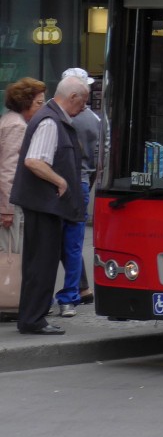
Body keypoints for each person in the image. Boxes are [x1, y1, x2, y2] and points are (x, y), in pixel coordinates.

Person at [9, 75, 90, 335]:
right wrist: (60, 181)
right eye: (84, 101)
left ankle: (33, 317)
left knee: (40, 264)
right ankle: (33, 319)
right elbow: (34, 161)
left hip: (45, 205)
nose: (85, 107)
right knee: (41, 264)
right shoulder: (50, 121)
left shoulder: (52, 118)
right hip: (44, 205)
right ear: (73, 97)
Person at [57, 69, 102, 310]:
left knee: (55, 241)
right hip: (82, 181)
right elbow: (100, 157)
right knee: (74, 243)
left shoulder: (57, 116)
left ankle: (70, 292)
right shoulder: (94, 120)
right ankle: (74, 292)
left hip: (58, 184)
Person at [0, 78, 47, 231]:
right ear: (25, 103)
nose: (43, 107)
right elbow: (9, 169)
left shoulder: (9, 120)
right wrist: (7, 209)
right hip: (9, 203)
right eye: (39, 103)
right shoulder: (17, 125)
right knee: (10, 251)